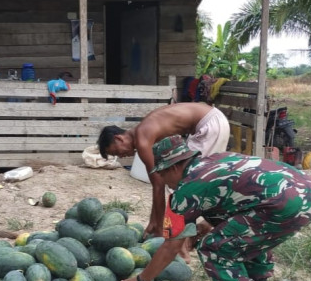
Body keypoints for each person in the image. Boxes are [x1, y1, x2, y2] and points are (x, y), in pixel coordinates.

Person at [120, 135, 311, 281]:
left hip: (284, 205)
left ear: (171, 168)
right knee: (244, 240)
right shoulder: (212, 162)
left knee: (214, 249)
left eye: (161, 174)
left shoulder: (187, 189)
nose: (162, 180)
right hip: (308, 192)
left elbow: (171, 246)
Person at [97, 102, 230, 248]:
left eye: (116, 152)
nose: (120, 156)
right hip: (209, 122)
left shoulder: (142, 140)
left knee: (187, 182)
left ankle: (186, 238)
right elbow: (158, 182)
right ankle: (199, 228)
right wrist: (153, 221)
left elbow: (158, 184)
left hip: (209, 125)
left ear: (119, 138)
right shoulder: (143, 132)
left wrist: (158, 228)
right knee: (186, 182)